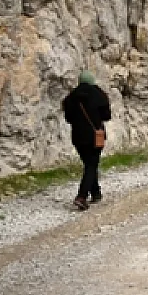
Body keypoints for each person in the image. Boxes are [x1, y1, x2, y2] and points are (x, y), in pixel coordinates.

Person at [61, 71, 111, 211]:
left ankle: (96, 193)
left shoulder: (70, 97)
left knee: (89, 164)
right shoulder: (99, 94)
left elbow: (68, 119)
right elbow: (107, 116)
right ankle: (81, 196)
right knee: (91, 164)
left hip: (77, 137)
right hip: (95, 136)